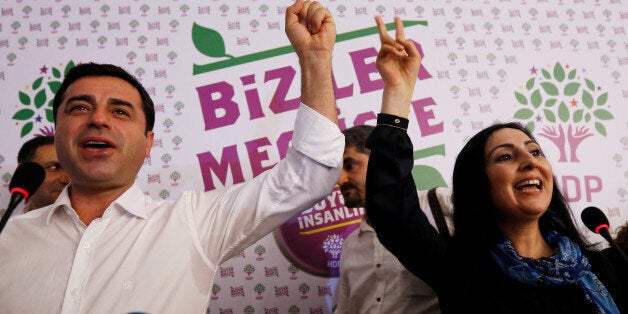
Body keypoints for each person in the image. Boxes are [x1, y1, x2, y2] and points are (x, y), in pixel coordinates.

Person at [0, 1, 343, 313]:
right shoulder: (8, 240)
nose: (98, 119)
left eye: (120, 111)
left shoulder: (192, 222)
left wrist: (315, 60)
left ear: (148, 143)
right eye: (80, 107)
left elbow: (309, 173)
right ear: (56, 131)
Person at [364, 16, 627, 314]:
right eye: (505, 156)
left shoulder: (603, 267)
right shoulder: (460, 271)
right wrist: (398, 92)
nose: (530, 162)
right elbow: (392, 209)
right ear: (478, 184)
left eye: (536, 152)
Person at [333, 124, 451, 314]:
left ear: (381, 162)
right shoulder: (351, 244)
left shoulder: (439, 204)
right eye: (336, 170)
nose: (340, 179)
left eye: (350, 165)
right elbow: (346, 309)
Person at [12, 136, 71, 215]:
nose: (67, 179)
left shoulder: (91, 225)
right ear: (24, 173)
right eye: (54, 167)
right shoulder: (9, 227)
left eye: (72, 168)